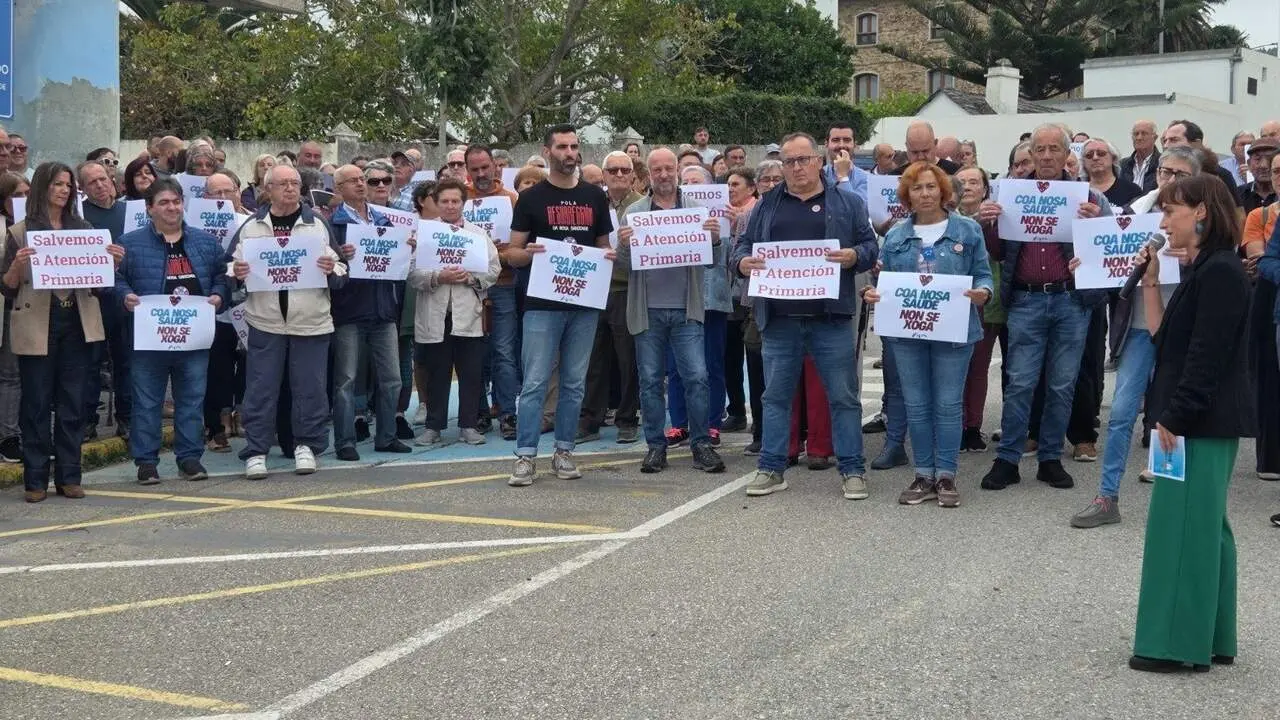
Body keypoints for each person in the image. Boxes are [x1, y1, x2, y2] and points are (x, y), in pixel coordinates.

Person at [1130, 174, 1253, 673]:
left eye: (1171, 211)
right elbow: (1165, 341)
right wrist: (1150, 280)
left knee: (1181, 528)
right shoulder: (1204, 267)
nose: (1163, 222)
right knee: (1205, 528)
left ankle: (1175, 645)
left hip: (1197, 419)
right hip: (1193, 416)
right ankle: (1213, 636)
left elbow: (1207, 356)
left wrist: (1176, 416)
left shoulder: (1221, 271)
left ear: (1201, 211)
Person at [731, 132, 878, 498]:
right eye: (790, 162)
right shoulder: (766, 205)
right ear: (782, 166)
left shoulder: (847, 202)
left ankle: (852, 470)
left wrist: (854, 256)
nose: (797, 167)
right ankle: (771, 468)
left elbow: (870, 246)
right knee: (775, 398)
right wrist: (742, 262)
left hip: (830, 319)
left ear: (818, 161)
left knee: (843, 398)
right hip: (780, 319)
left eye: (803, 160)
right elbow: (742, 246)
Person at [1070, 146, 1203, 528]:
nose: (1170, 180)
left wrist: (1191, 256)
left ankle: (1172, 501)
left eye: (1179, 174)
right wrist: (1088, 263)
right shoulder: (1135, 211)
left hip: (1181, 331)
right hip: (1140, 328)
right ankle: (1107, 496)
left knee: (1170, 416)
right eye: (1165, 172)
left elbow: (1220, 265)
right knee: (1121, 413)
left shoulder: (1202, 222)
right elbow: (1109, 260)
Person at [976, 124, 1112, 492]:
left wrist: (1095, 226)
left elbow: (1108, 248)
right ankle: (1008, 459)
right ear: (1032, 154)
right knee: (1020, 382)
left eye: (1055, 149)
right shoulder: (1011, 194)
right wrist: (989, 223)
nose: (1047, 156)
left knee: (1062, 383)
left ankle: (1050, 458)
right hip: (1026, 299)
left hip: (1070, 300)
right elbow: (998, 252)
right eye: (1041, 149)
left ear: (1067, 154)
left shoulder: (1089, 197)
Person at [864, 162, 993, 508]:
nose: (925, 194)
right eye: (917, 188)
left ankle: (946, 474)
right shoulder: (895, 236)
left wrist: (983, 292)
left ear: (943, 191)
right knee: (917, 405)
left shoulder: (968, 230)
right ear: (907, 194)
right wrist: (873, 293)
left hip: (954, 331)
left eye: (931, 187)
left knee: (948, 405)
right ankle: (923, 474)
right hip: (908, 333)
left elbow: (983, 274)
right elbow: (884, 283)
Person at [1, 162, 125, 502]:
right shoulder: (21, 231)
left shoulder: (83, 228)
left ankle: (69, 475)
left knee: (73, 402)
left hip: (77, 323)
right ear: (43, 187)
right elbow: (7, 288)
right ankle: (35, 479)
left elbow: (100, 287)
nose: (64, 190)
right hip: (38, 323)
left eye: (69, 185)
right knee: (36, 403)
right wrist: (18, 266)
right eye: (58, 184)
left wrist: (110, 264)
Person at [504, 124, 615, 487]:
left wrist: (608, 256)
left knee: (574, 382)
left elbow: (603, 247)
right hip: (541, 304)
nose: (570, 153)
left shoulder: (595, 197)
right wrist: (528, 253)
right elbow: (512, 253)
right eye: (563, 147)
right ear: (547, 151)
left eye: (574, 146)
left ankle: (564, 451)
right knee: (535, 382)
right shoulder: (531, 199)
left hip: (583, 303)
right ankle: (525, 456)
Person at [227, 165, 348, 479]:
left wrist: (331, 269)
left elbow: (342, 269)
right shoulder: (251, 227)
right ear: (267, 189)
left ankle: (306, 446)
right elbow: (229, 267)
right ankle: (256, 449)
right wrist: (236, 274)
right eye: (283, 184)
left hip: (311, 320)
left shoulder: (317, 224)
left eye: (294, 183)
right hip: (265, 321)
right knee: (260, 388)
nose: (290, 188)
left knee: (310, 387)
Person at [615, 149, 725, 473]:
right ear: (648, 175)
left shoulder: (696, 210)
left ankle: (701, 444)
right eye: (657, 170)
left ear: (677, 170)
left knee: (697, 378)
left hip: (686, 310)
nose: (663, 174)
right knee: (650, 381)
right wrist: (624, 247)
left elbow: (712, 263)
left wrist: (715, 240)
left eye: (668, 168)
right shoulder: (635, 213)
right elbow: (623, 266)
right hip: (647, 311)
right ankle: (655, 446)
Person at [116, 178, 230, 484]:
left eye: (176, 202)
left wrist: (219, 295)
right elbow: (115, 279)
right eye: (164, 202)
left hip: (193, 336)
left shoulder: (205, 242)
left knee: (191, 400)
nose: (172, 208)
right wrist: (125, 296)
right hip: (149, 338)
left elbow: (222, 276)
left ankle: (190, 458)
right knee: (147, 402)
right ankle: (146, 462)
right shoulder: (129, 243)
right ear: (149, 208)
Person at [329, 164, 411, 461]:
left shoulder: (384, 219)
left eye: (361, 179)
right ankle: (345, 441)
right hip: (349, 310)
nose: (361, 184)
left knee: (392, 379)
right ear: (339, 189)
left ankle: (386, 437)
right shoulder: (332, 224)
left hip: (383, 309)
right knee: (346, 381)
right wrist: (340, 255)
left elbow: (396, 262)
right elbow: (326, 265)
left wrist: (406, 248)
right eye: (352, 180)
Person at [411, 179, 500, 445]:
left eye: (455, 201)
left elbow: (493, 269)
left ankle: (469, 426)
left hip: (468, 313)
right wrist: (438, 276)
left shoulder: (478, 234)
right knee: (437, 373)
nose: (450, 206)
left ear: (463, 203)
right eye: (445, 201)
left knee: (471, 373)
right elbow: (412, 273)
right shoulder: (425, 234)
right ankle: (433, 427)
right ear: (436, 203)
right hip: (436, 312)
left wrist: (469, 277)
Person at [663, 163, 733, 453]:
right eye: (687, 182)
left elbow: (728, 257)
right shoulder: (668, 214)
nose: (691, 187)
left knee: (711, 365)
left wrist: (721, 232)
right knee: (676, 366)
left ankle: (712, 422)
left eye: (697, 182)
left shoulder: (723, 217)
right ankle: (680, 423)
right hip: (677, 300)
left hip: (712, 300)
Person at [579, 151, 643, 444]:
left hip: (626, 289)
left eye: (624, 170)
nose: (618, 175)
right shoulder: (592, 204)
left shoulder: (643, 206)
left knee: (628, 359)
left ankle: (627, 419)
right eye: (613, 170)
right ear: (603, 175)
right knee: (593, 359)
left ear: (633, 175)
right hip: (593, 288)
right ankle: (590, 420)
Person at [464, 145, 522, 439]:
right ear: (467, 171)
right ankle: (479, 413)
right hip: (468, 287)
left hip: (504, 284)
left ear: (495, 166)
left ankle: (508, 413)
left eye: (485, 167)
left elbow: (520, 245)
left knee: (503, 351)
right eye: (474, 169)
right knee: (474, 353)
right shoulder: (459, 199)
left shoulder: (512, 199)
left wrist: (499, 254)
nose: (481, 174)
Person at [78, 161, 132, 442]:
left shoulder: (130, 212)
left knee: (126, 362)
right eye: (92, 182)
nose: (99, 185)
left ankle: (127, 418)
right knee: (90, 364)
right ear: (83, 188)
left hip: (125, 297)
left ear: (111, 180)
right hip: (92, 299)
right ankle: (87, 421)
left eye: (103, 179)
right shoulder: (78, 216)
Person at [956, 166, 1005, 452]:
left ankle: (973, 426)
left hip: (987, 301)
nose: (968, 187)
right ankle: (955, 422)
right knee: (954, 368)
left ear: (985, 189)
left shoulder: (997, 218)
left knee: (978, 366)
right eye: (961, 182)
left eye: (974, 182)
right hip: (952, 302)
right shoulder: (945, 218)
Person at [1245, 149, 1280, 486]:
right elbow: (1261, 258)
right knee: (1269, 378)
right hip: (1268, 299)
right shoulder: (1262, 214)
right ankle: (1271, 457)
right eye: (1276, 171)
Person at [0, 171, 29, 463]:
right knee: (9, 375)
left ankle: (14, 434)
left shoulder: (33, 226)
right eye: (16, 195)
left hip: (21, 307)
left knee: (15, 374)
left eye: (27, 194)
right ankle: (8, 435)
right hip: (5, 302)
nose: (22, 200)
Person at [1161, 120, 1237, 202]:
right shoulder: (1161, 173)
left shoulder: (1220, 176)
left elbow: (1235, 209)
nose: (1166, 145)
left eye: (1174, 140)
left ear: (1196, 143)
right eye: (1165, 141)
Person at [1083, 138, 1143, 207]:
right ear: (1083, 162)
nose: (1095, 157)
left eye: (1101, 153)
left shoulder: (1132, 191)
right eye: (1089, 155)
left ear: (1113, 158)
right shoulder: (1078, 191)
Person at [823, 123, 868, 201]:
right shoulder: (818, 176)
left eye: (847, 140)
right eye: (835, 140)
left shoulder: (866, 179)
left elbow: (857, 207)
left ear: (855, 145)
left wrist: (843, 176)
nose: (841, 145)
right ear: (826, 144)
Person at [1239, 138, 1278, 214]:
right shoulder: (1238, 194)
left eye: (1270, 158)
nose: (1263, 165)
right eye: (1257, 159)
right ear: (1249, 164)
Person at [1120, 120, 1160, 192]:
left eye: (1144, 133)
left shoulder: (1162, 163)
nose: (1139, 138)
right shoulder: (1122, 165)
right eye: (1136, 134)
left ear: (1155, 138)